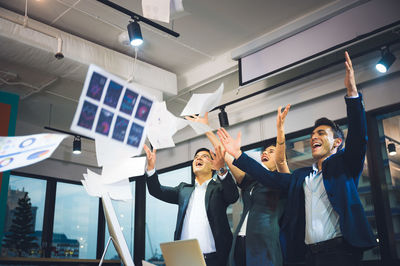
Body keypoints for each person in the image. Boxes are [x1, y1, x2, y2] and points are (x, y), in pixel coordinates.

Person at [217, 51, 376, 266]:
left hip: (341, 253)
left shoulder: (344, 167)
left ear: (337, 143)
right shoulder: (301, 176)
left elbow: (358, 137)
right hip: (309, 256)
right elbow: (267, 177)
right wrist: (237, 155)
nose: (314, 137)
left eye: (321, 134)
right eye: (312, 135)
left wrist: (352, 93)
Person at [186, 104, 290, 266]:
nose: (265, 153)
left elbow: (282, 160)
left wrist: (280, 133)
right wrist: (205, 128)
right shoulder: (251, 181)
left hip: (264, 247)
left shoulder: (284, 181)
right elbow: (226, 156)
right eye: (265, 151)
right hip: (240, 245)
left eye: (271, 151)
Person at [144, 144, 239, 266]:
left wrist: (221, 169)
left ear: (213, 165)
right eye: (196, 157)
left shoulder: (219, 189)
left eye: (204, 156)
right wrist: (151, 168)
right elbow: (156, 191)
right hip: (184, 259)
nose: (198, 159)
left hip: (214, 260)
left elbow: (233, 196)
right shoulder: (183, 190)